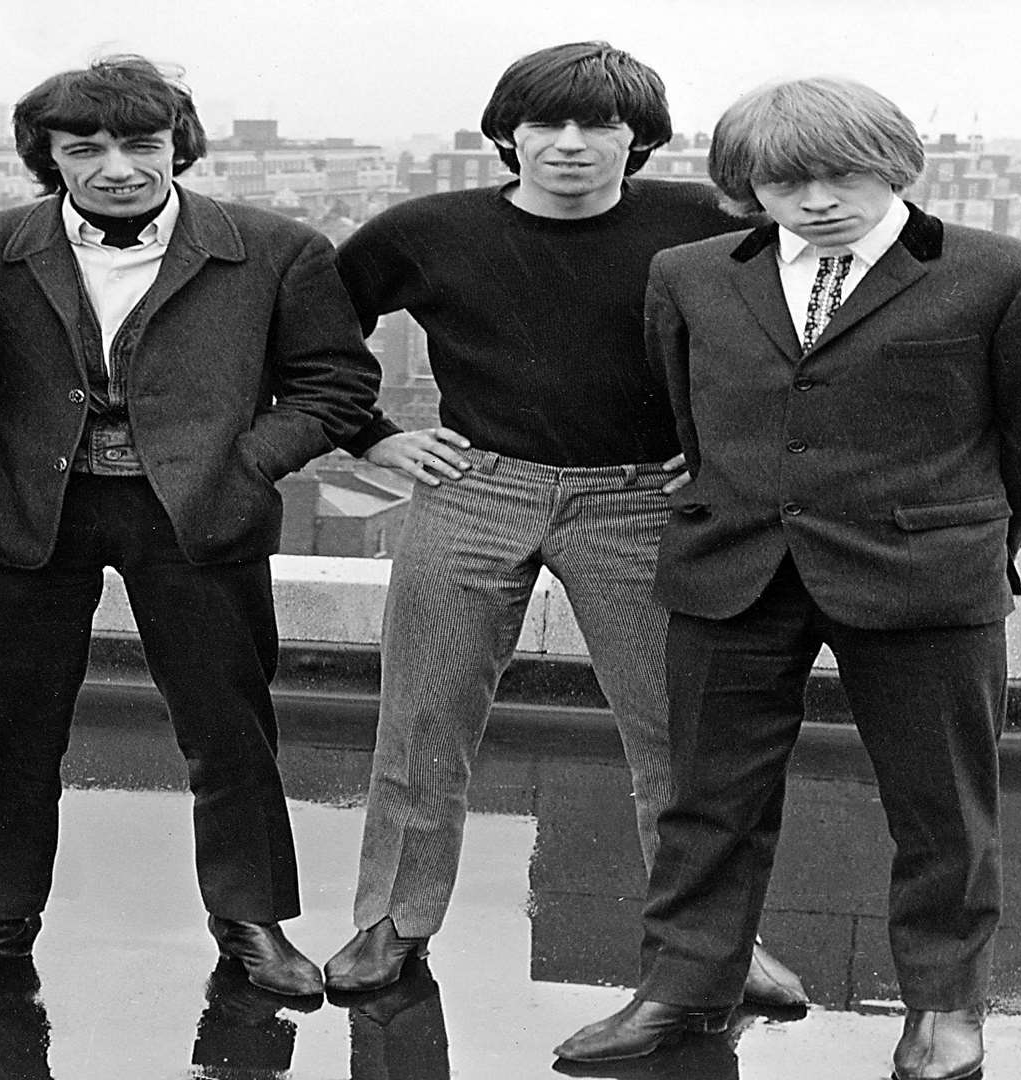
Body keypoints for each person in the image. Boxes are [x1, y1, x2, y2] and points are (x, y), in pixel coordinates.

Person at [554, 77, 1021, 1080]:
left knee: (943, 810)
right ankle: (685, 989)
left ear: (895, 167)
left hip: (922, 575)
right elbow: (690, 417)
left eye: (843, 176)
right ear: (748, 187)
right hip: (732, 567)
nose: (818, 200)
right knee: (708, 800)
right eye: (787, 182)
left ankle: (943, 1010)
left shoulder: (1008, 275)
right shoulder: (692, 275)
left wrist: (964, 534)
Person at [320, 41, 806, 1003]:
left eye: (601, 125)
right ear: (508, 133)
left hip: (640, 499)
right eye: (546, 123)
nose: (571, 145)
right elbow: (308, 330)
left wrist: (725, 449)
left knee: (678, 735)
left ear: (641, 139)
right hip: (474, 486)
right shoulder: (424, 230)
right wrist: (371, 437)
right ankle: (391, 923)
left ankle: (712, 944)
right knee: (423, 721)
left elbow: (801, 337)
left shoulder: (707, 226)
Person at [0, 55, 380, 998]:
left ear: (177, 147)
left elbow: (337, 382)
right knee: (0, 726)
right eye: (86, 148)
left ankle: (253, 922)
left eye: (141, 144)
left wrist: (246, 463)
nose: (116, 166)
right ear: (49, 157)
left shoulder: (276, 249)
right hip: (26, 515)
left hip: (199, 515)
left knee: (228, 724)